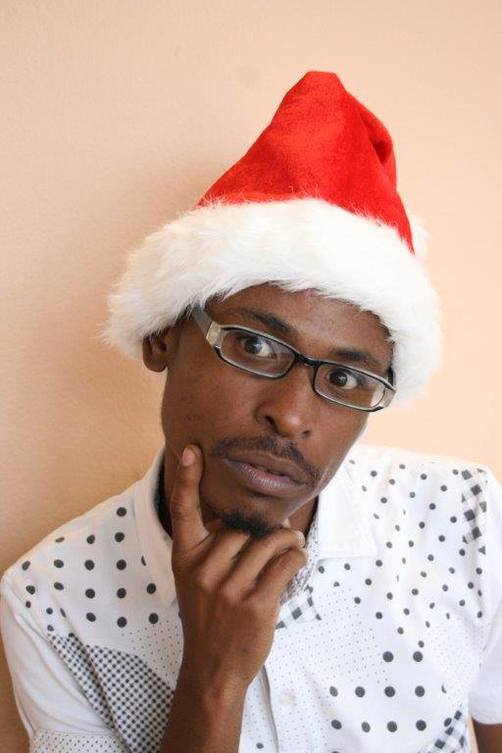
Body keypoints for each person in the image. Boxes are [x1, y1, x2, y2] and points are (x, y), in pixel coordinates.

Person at [1, 70, 501, 753]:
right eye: (255, 345)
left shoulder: (463, 518)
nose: (291, 415)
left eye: (346, 378)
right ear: (162, 335)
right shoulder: (52, 599)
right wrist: (213, 676)